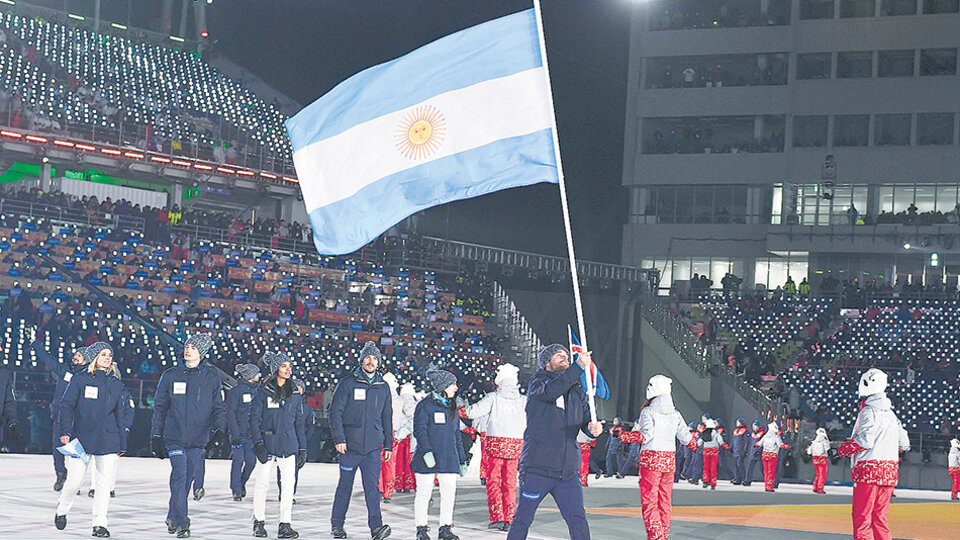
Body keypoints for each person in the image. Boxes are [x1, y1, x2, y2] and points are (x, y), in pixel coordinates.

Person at [506, 344, 603, 540]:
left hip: (567, 473)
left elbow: (584, 420)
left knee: (577, 519)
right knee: (523, 519)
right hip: (537, 468)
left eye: (566, 355)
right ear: (547, 363)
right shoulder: (539, 383)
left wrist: (592, 429)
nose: (564, 357)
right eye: (558, 355)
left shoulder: (576, 391)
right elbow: (551, 392)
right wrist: (577, 368)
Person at [151, 334, 227, 538]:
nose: (188, 350)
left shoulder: (211, 377)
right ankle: (184, 522)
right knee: (179, 476)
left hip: (199, 438)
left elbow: (219, 408)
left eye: (193, 347)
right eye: (187, 346)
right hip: (175, 436)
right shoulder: (170, 375)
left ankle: (172, 515)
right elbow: (160, 407)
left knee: (187, 480)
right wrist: (156, 435)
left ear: (201, 352)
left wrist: (220, 430)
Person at [53, 342, 124, 538]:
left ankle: (99, 524)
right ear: (94, 357)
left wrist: (122, 442)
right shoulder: (80, 379)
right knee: (74, 482)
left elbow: (120, 414)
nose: (107, 357)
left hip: (108, 440)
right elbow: (66, 406)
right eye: (103, 354)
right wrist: (65, 430)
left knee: (103, 485)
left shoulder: (116, 382)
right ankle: (62, 509)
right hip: (81, 438)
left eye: (109, 354)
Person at [617, 374, 695, 540]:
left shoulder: (648, 411)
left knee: (649, 502)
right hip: (669, 460)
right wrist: (695, 444)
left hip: (651, 459)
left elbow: (645, 436)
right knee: (665, 501)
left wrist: (625, 436)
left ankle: (656, 537)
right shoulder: (675, 413)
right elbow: (686, 438)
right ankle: (663, 536)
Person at [328, 341, 393, 540]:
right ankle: (337, 525)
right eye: (367, 357)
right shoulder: (347, 383)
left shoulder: (383, 387)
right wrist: (339, 438)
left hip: (372, 448)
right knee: (345, 488)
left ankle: (376, 528)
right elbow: (335, 413)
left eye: (374, 358)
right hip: (350, 447)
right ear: (361, 360)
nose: (371, 361)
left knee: (372, 490)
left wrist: (388, 444)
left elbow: (387, 417)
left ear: (379, 362)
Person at [836, 369, 910, 539]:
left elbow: (865, 441)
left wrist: (841, 450)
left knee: (862, 519)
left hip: (868, 472)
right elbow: (904, 444)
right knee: (880, 519)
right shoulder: (891, 415)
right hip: (889, 471)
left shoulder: (868, 412)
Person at [461, 363, 527, 531]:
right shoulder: (523, 401)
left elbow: (472, 412)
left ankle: (498, 516)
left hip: (496, 444)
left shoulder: (493, 397)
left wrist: (458, 409)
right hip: (515, 445)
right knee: (510, 482)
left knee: (493, 480)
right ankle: (510, 518)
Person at [249, 352, 306, 539]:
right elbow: (254, 419)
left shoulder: (295, 392)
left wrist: (302, 447)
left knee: (289, 485)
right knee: (262, 483)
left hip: (289, 445)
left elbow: (299, 422)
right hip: (268, 444)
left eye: (290, 365)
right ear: (275, 370)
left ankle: (285, 524)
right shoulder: (263, 390)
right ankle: (259, 521)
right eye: (284, 366)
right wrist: (258, 443)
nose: (288, 369)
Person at [412, 370, 466, 540]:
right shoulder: (425, 406)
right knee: (423, 494)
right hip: (427, 458)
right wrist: (427, 451)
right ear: (442, 386)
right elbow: (420, 431)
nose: (456, 388)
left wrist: (462, 459)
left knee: (449, 494)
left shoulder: (452, 407)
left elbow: (456, 435)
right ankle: (421, 529)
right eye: (453, 385)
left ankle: (445, 528)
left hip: (448, 457)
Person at [30, 338, 83, 491]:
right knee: (57, 446)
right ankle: (61, 473)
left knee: (75, 449)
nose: (75, 357)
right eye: (75, 354)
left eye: (79, 355)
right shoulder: (64, 370)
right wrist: (35, 343)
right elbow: (48, 358)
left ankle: (74, 479)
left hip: (78, 418)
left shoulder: (87, 377)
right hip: (60, 416)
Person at [227, 363, 261, 501]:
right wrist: (234, 433)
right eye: (257, 373)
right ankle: (236, 489)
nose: (260, 376)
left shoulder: (259, 391)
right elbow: (230, 413)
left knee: (251, 462)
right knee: (238, 460)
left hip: (252, 435)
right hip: (239, 434)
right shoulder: (236, 391)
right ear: (250, 376)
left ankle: (241, 483)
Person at [378, 372, 403, 503]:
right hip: (385, 434)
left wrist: (399, 434)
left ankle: (382, 490)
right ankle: (384, 491)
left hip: (390, 434)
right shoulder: (379, 397)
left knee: (382, 464)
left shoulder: (400, 401)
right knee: (387, 464)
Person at [395, 382, 418, 493]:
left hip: (401, 433)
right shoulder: (413, 400)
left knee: (399, 461)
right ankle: (408, 485)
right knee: (409, 461)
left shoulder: (400, 399)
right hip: (409, 434)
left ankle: (399, 484)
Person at [759, 421, 789, 492]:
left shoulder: (765, 436)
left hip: (765, 455)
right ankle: (770, 486)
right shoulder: (776, 436)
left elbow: (759, 443)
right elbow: (780, 445)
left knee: (766, 471)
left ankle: (766, 485)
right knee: (771, 472)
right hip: (773, 456)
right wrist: (786, 446)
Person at [699, 418, 728, 489]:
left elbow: (699, 442)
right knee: (713, 468)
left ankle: (705, 482)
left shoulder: (704, 433)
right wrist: (728, 447)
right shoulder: (716, 433)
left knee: (706, 467)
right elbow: (721, 442)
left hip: (706, 451)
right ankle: (713, 483)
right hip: (714, 452)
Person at [807, 428, 830, 494]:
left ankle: (815, 487)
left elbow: (809, 451)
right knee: (822, 474)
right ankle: (820, 489)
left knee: (818, 473)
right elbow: (827, 447)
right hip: (823, 457)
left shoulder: (815, 440)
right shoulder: (825, 438)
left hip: (815, 457)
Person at [743, 420, 765, 487]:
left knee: (762, 468)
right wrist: (745, 451)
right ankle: (747, 480)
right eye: (753, 426)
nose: (753, 427)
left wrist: (758, 450)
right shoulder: (752, 434)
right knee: (750, 467)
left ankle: (768, 480)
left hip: (760, 453)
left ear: (758, 426)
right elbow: (748, 443)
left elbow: (763, 444)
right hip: (752, 452)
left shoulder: (763, 434)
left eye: (755, 426)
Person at [730, 418, 749, 485]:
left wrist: (745, 451)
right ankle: (737, 479)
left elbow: (746, 442)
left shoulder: (745, 431)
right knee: (736, 465)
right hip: (735, 450)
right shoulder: (735, 431)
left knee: (740, 465)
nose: (736, 423)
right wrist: (731, 448)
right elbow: (733, 440)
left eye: (738, 422)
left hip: (741, 451)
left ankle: (744, 479)